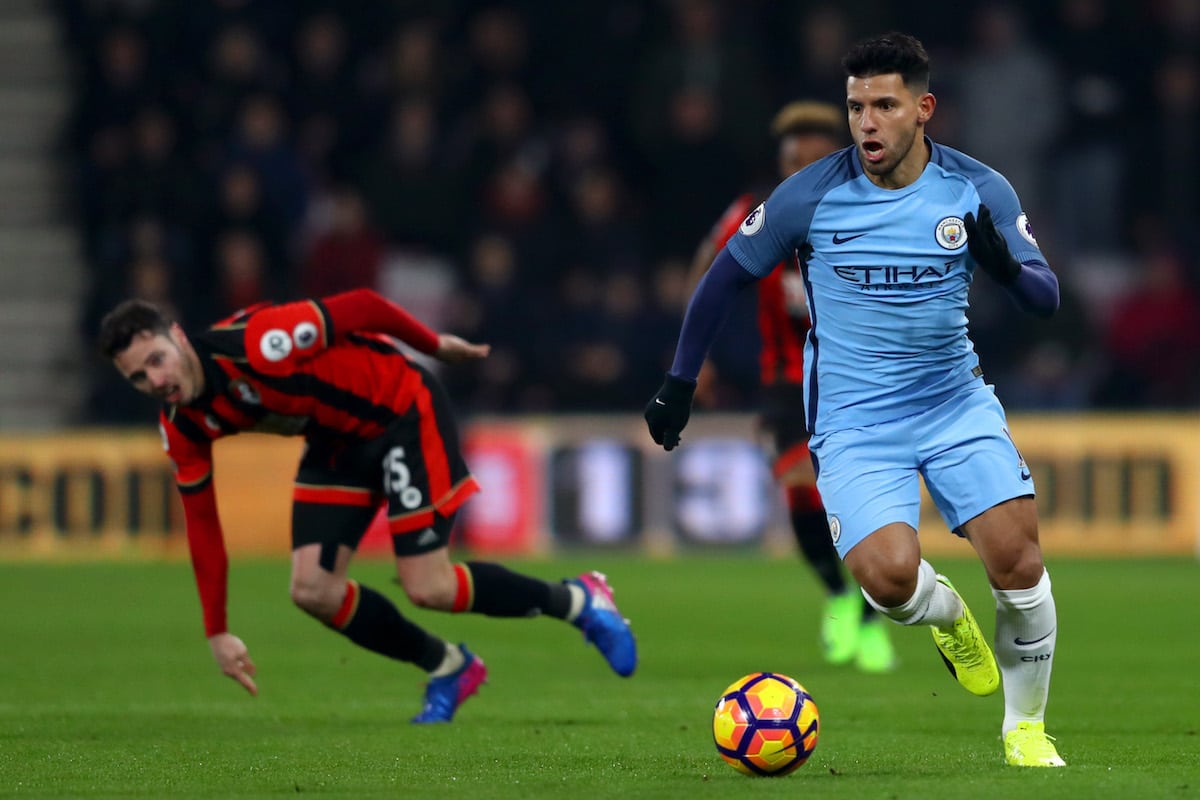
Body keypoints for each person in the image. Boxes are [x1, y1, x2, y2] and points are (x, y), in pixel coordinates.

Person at [645, 32, 1064, 767]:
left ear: (923, 109)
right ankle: (947, 618)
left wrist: (1004, 265)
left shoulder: (979, 188)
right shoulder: (810, 193)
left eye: (884, 105)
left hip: (953, 404)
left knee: (1019, 562)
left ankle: (1025, 731)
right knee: (890, 581)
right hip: (855, 421)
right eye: (855, 106)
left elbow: (1045, 300)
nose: (866, 122)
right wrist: (679, 386)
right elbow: (722, 278)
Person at [99, 287, 637, 723]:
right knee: (312, 589)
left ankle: (578, 599)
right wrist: (216, 629)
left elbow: (363, 307)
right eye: (139, 377)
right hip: (336, 444)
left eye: (156, 360)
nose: (157, 381)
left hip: (400, 410)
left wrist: (433, 344)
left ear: (175, 336)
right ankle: (448, 666)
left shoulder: (262, 343)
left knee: (430, 587)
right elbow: (202, 523)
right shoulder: (181, 425)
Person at [687, 100, 895, 673]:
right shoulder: (758, 211)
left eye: (811, 157)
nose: (799, 168)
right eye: (791, 158)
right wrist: (695, 352)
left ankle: (871, 616)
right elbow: (709, 263)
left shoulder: (872, 207)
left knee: (856, 505)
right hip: (786, 382)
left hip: (858, 383)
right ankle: (839, 595)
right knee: (802, 495)